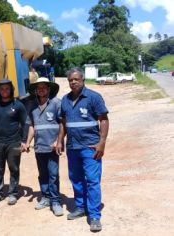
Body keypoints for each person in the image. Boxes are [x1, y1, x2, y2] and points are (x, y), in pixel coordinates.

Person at [55, 67, 109, 232]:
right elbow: (63, 123)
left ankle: (94, 215)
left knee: (92, 181)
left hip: (90, 147)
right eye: (70, 80)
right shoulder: (64, 100)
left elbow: (104, 120)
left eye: (76, 79)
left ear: (83, 79)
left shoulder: (93, 97)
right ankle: (81, 207)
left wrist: (102, 142)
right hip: (72, 147)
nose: (73, 82)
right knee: (76, 179)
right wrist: (59, 141)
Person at [0, 78, 28, 206]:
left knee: (14, 168)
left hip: (14, 142)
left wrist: (24, 141)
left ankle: (12, 193)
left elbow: (25, 123)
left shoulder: (18, 105)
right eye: (2, 89)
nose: (4, 91)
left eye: (7, 88)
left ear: (11, 89)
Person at [24, 77, 64, 216]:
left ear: (49, 89)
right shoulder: (33, 106)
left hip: (53, 147)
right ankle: (46, 197)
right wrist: (28, 142)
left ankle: (56, 201)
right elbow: (32, 126)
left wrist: (59, 141)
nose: (41, 89)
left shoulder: (56, 103)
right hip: (39, 147)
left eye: (44, 87)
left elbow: (63, 123)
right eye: (38, 87)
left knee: (53, 174)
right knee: (43, 174)